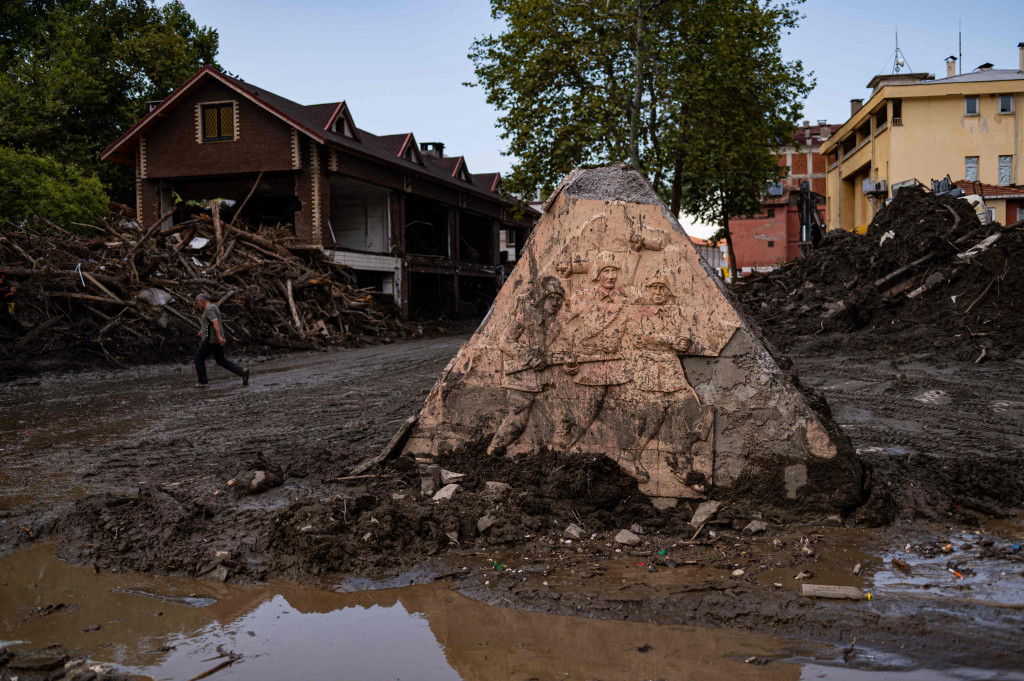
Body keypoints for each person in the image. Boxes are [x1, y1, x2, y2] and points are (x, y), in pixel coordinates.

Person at [194, 293, 249, 387]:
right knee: (221, 360)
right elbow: (211, 323)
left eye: (197, 303)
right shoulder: (214, 307)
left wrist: (219, 336)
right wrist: (202, 330)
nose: (197, 305)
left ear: (201, 301)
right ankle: (241, 372)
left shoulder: (209, 309)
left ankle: (202, 382)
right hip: (216, 339)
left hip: (211, 340)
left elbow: (215, 322)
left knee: (198, 359)